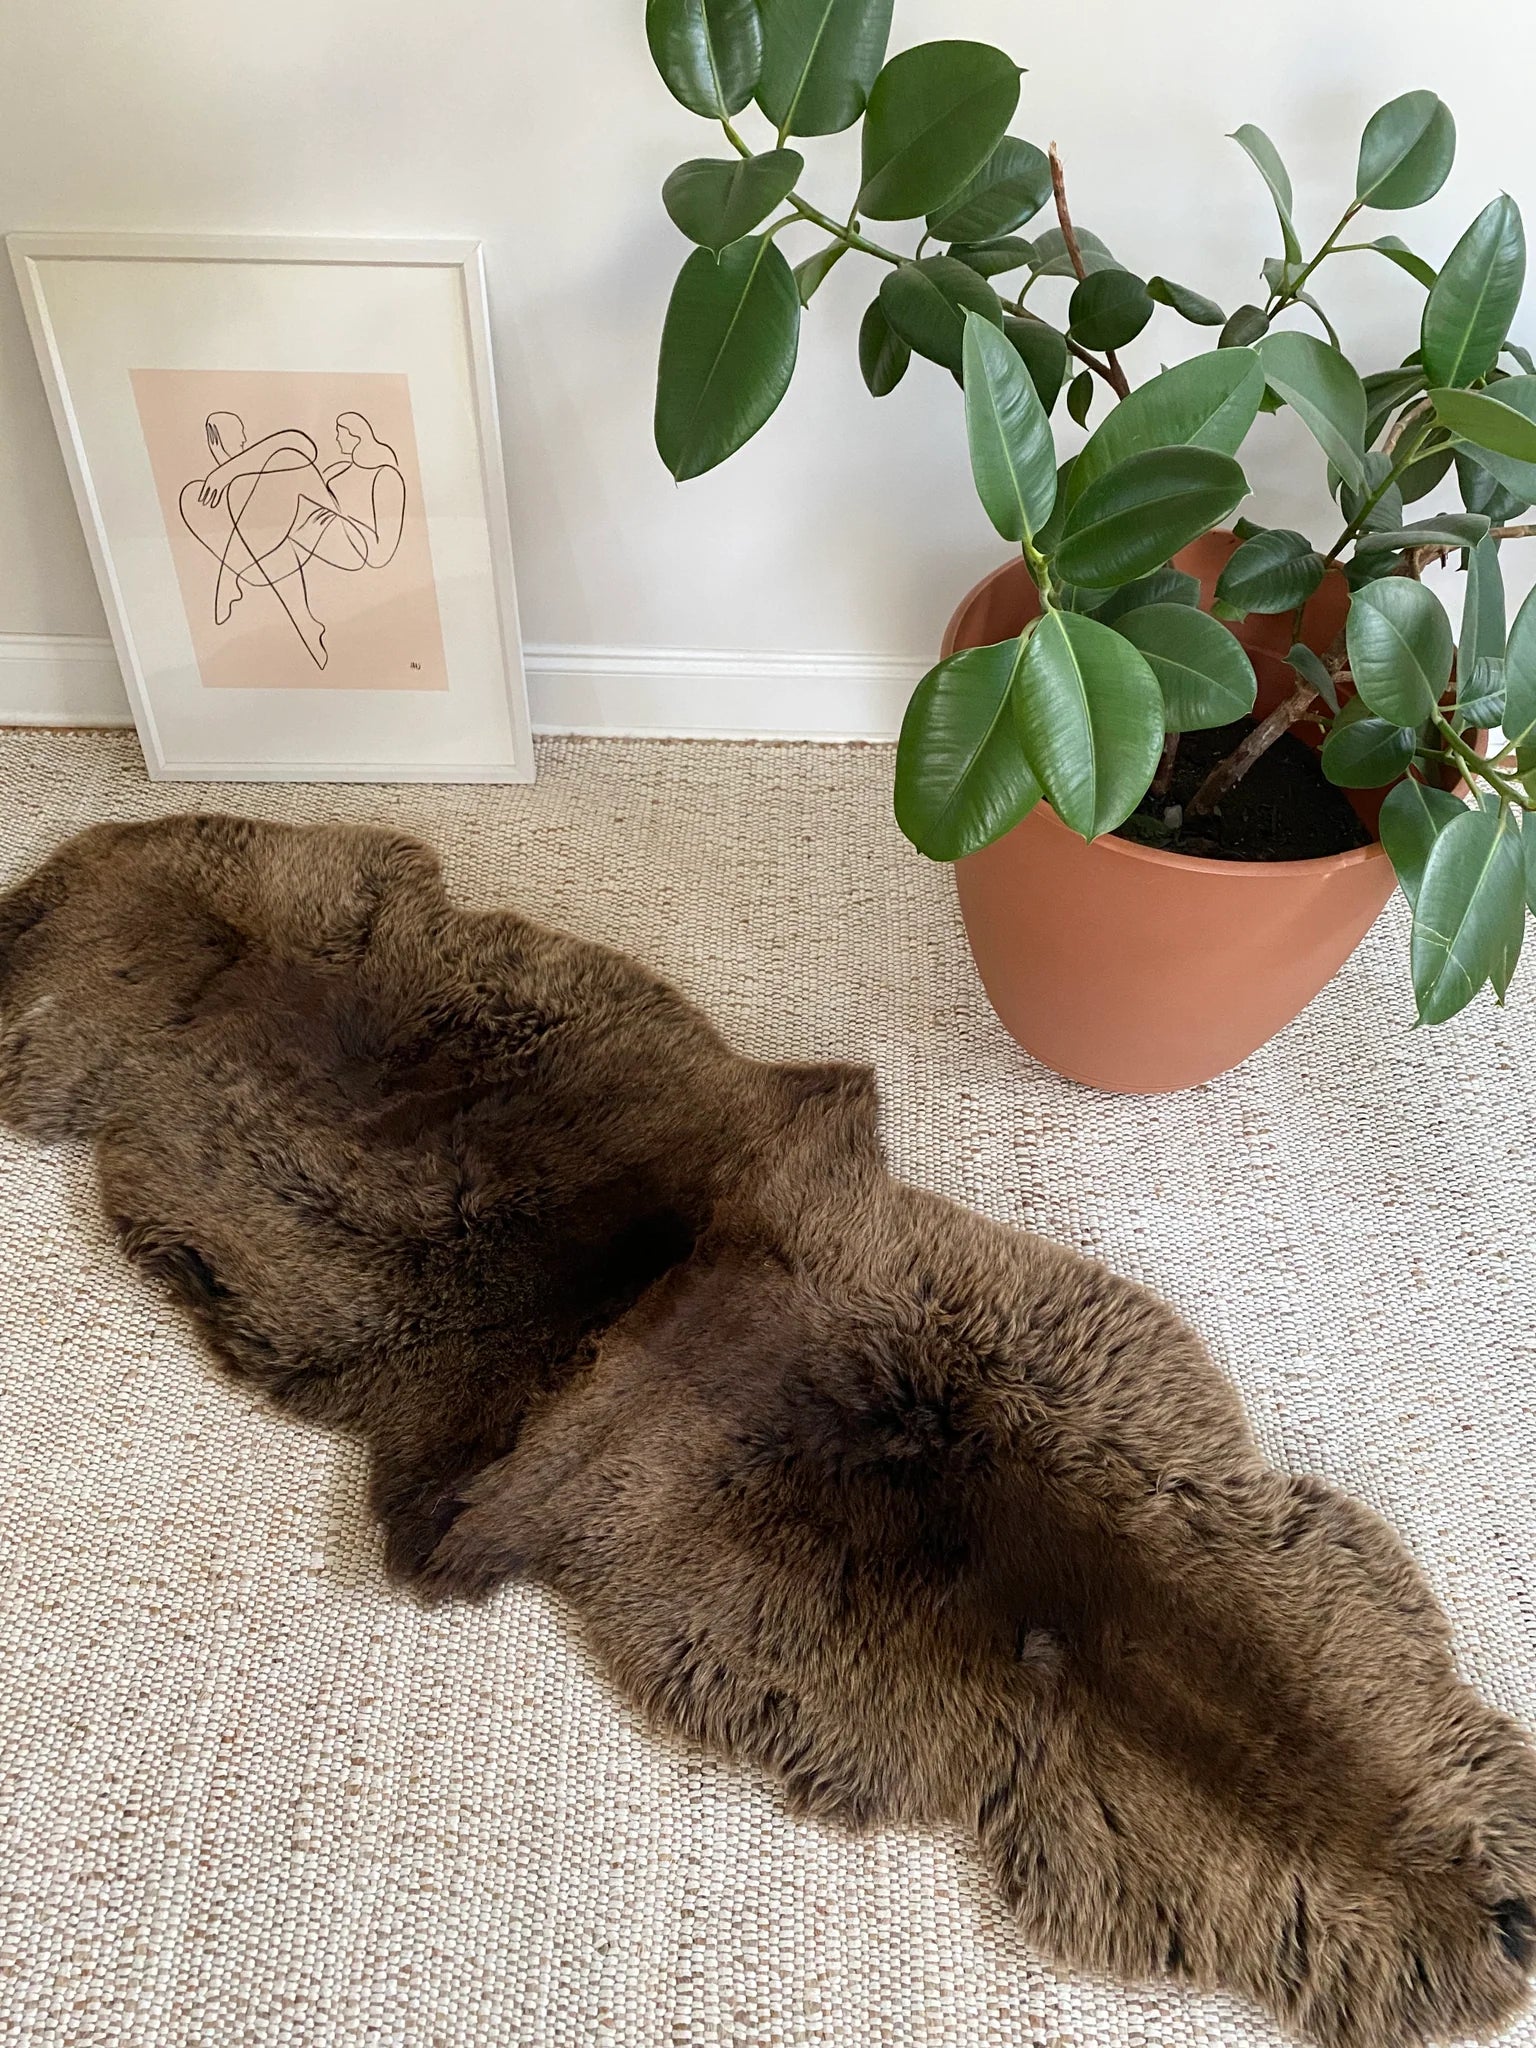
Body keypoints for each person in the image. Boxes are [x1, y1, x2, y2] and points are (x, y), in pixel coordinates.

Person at [177, 410, 407, 669]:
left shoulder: (385, 475)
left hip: (357, 549)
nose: (335, 437)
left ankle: (231, 574)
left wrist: (328, 524)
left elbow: (380, 554)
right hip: (304, 543)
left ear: (357, 436)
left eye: (340, 432)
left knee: (293, 461)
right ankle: (305, 624)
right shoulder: (336, 470)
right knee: (280, 497)